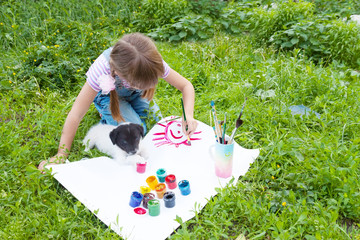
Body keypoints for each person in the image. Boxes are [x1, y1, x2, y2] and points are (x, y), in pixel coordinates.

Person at [38, 32, 198, 171]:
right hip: (109, 97)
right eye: (139, 84)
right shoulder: (101, 69)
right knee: (137, 128)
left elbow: (186, 86)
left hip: (137, 95)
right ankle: (104, 111)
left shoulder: (151, 62)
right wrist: (61, 154)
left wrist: (188, 116)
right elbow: (76, 114)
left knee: (157, 125)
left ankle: (126, 105)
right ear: (119, 74)